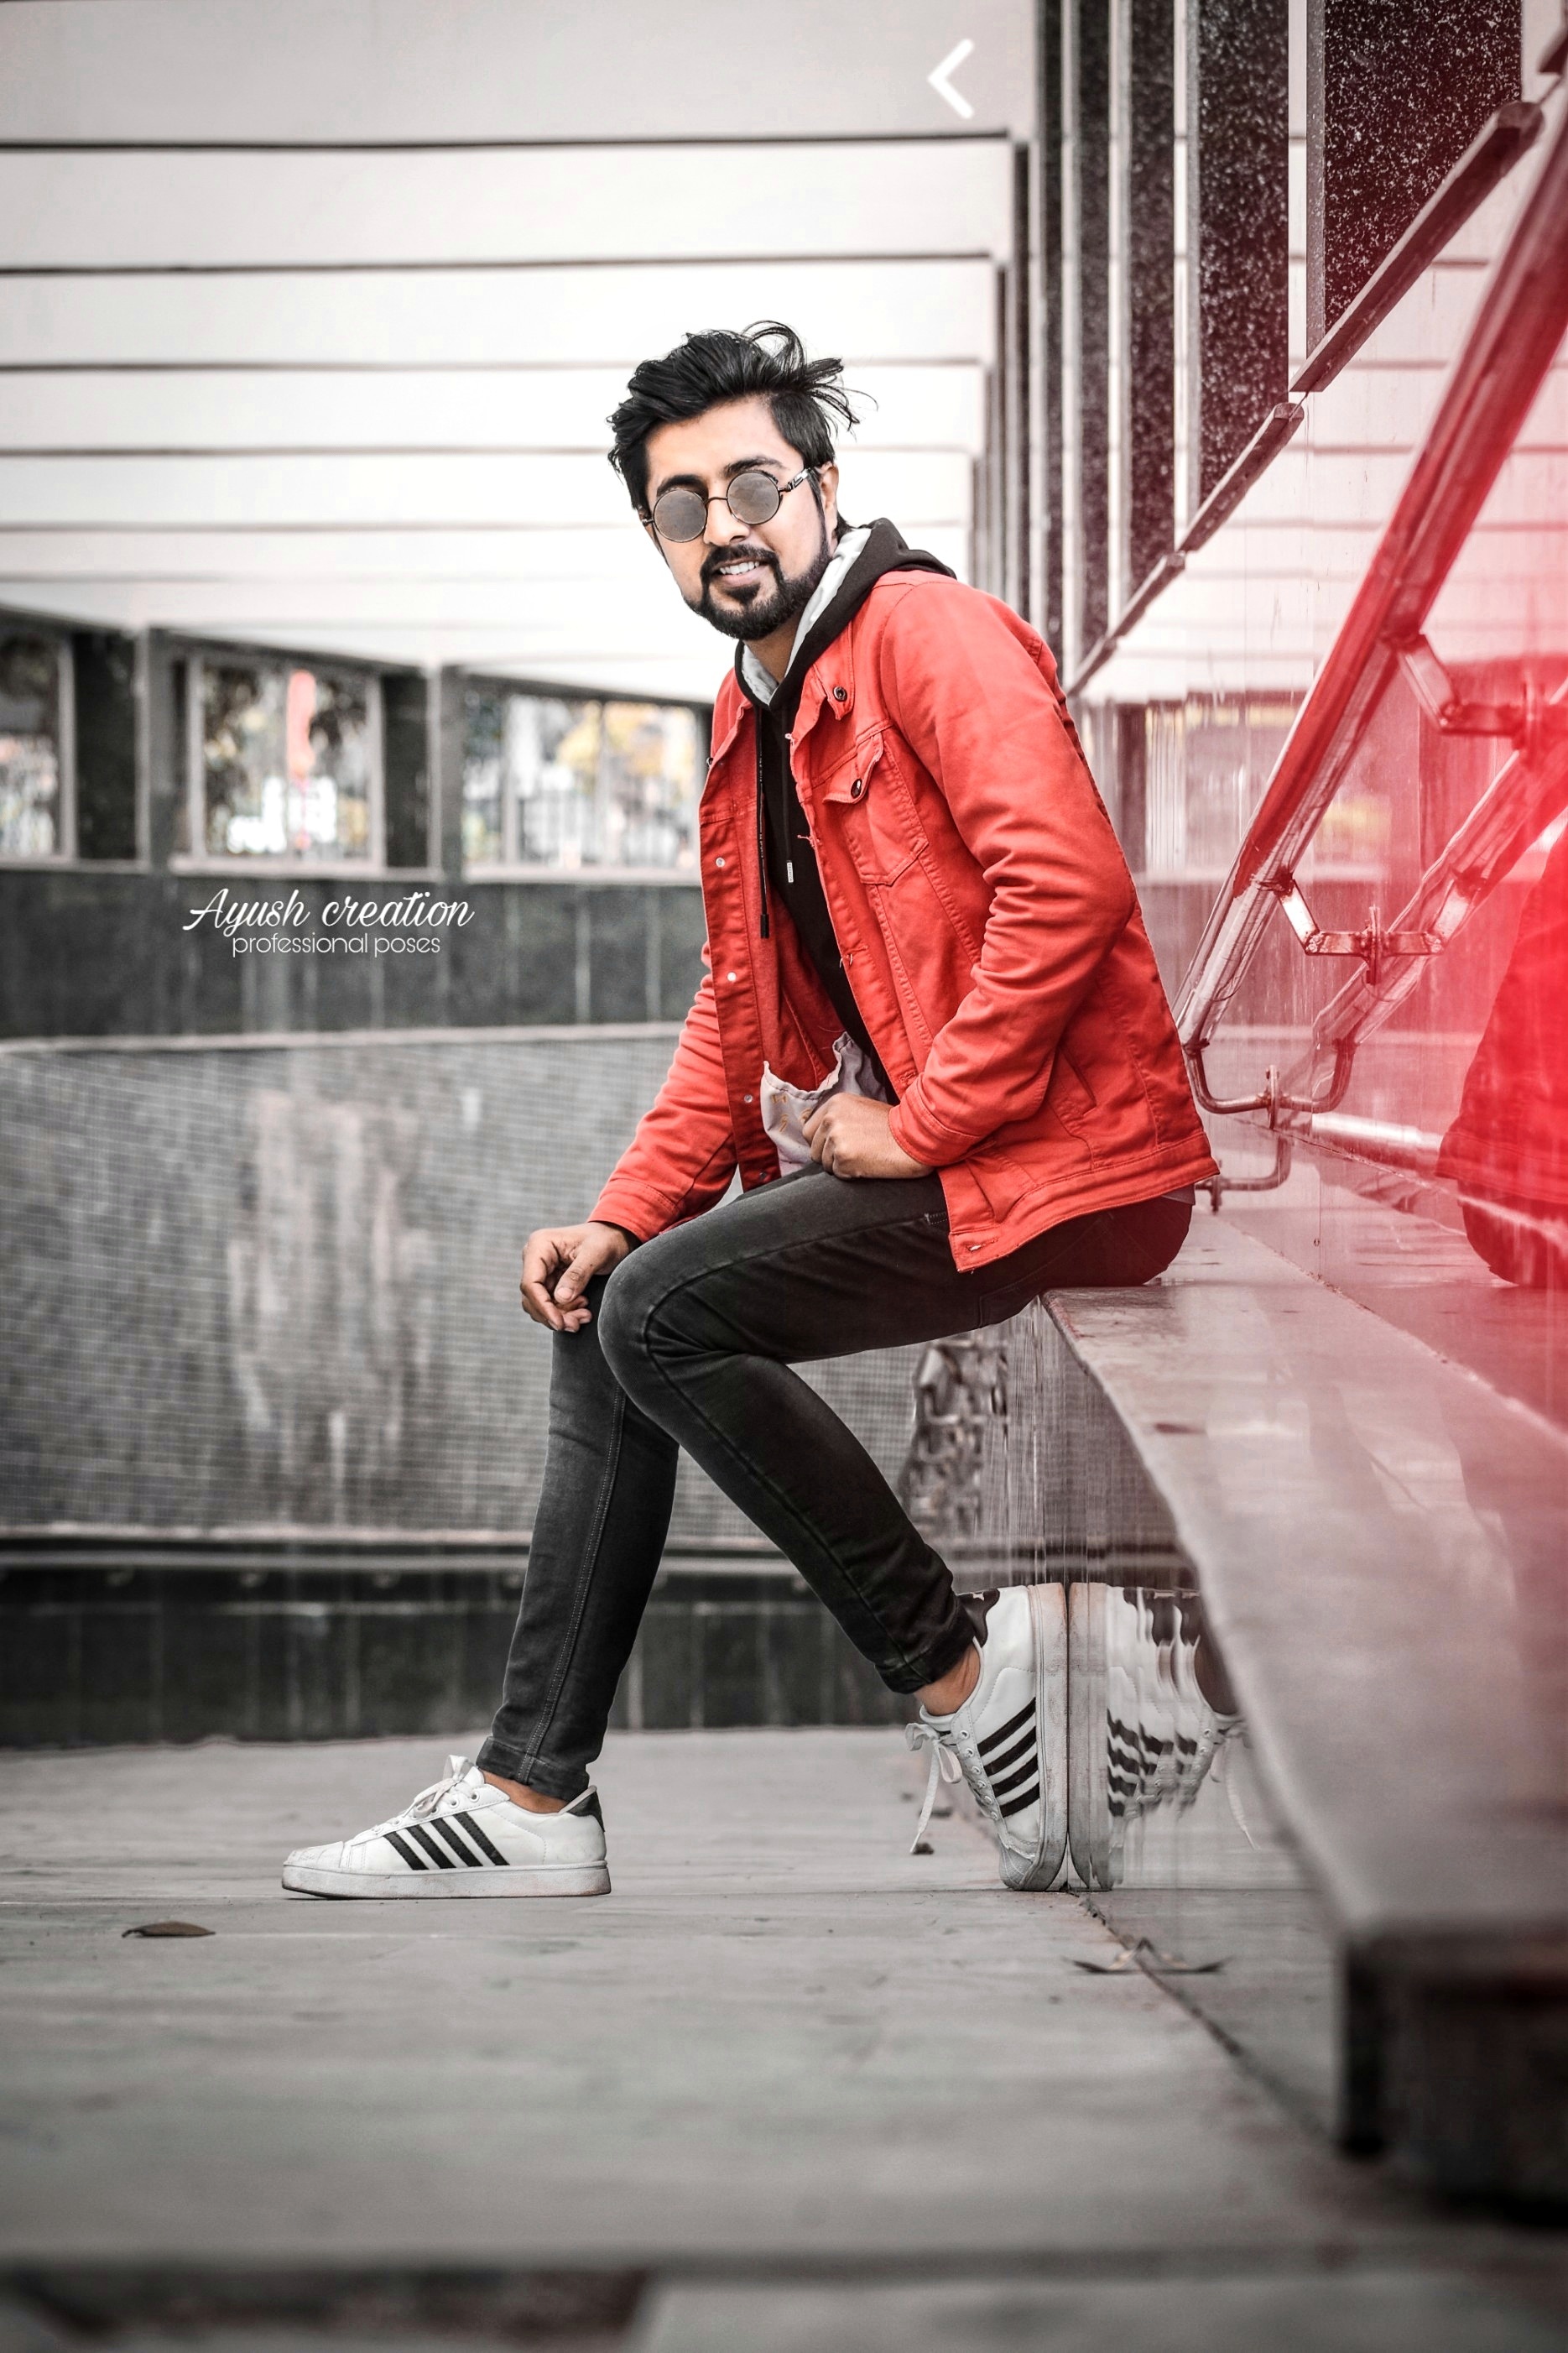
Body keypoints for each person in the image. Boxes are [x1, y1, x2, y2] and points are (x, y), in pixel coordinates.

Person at [283, 322, 1216, 1903]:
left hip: (1078, 1168)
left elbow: (1061, 888)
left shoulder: (924, 635)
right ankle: (530, 1792)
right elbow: (736, 1010)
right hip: (978, 1160)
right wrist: (624, 1211)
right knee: (614, 1305)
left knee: (662, 1316)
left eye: (754, 485)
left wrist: (923, 1124)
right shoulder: (753, 713)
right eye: (681, 504)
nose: (722, 525)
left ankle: (966, 1684)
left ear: (824, 489)